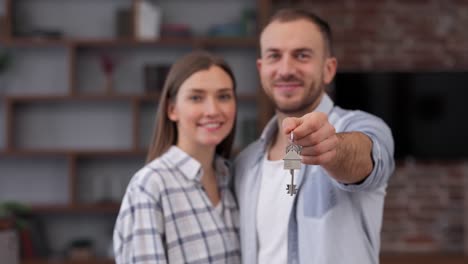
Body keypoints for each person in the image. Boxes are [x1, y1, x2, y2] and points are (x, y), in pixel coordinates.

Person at [234, 8, 395, 264]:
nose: (286, 69)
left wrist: (331, 149)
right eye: (274, 56)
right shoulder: (245, 163)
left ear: (328, 69)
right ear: (261, 68)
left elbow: (364, 157)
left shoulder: (363, 127)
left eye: (302, 55)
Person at [114, 51, 241, 263]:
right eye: (196, 97)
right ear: (172, 110)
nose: (212, 110)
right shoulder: (150, 186)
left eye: (224, 96)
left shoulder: (232, 178)